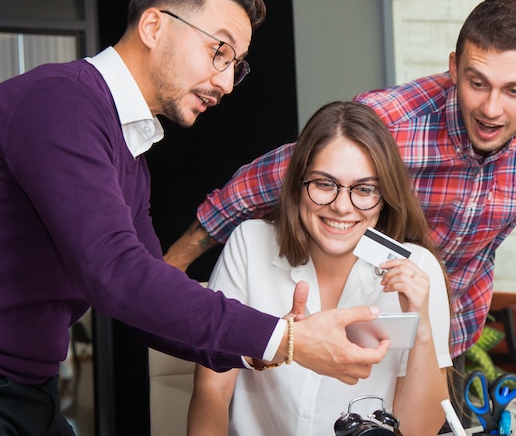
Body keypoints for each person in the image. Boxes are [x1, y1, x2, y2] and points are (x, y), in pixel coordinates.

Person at [0, 0, 389, 435]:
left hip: (21, 389)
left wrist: (269, 338)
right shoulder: (60, 102)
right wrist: (284, 338)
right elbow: (115, 273)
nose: (227, 81)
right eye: (219, 51)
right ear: (153, 25)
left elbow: (143, 296)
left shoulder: (127, 153)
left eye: (236, 63)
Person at [165, 0, 516, 423]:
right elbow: (270, 178)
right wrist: (171, 269)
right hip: (367, 299)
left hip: (450, 320)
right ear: (454, 68)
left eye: (515, 90)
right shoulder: (392, 120)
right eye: (477, 83)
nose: (492, 108)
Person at [187, 101, 453, 435]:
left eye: (365, 189)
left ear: (384, 196)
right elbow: (212, 389)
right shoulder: (250, 245)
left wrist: (422, 328)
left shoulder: (416, 268)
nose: (342, 206)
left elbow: (419, 431)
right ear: (299, 184)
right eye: (325, 184)